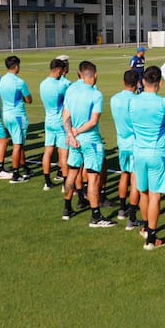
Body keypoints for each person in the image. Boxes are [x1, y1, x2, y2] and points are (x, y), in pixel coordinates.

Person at [62, 61, 114, 227]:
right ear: (95, 75)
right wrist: (76, 133)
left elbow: (65, 117)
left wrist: (70, 135)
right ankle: (95, 216)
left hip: (74, 141)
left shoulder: (71, 90)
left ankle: (67, 209)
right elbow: (93, 121)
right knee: (93, 178)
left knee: (72, 173)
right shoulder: (95, 94)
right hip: (90, 141)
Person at [129, 66, 165, 250]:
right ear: (160, 83)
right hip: (157, 153)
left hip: (139, 152)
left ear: (142, 82)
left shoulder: (133, 102)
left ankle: (146, 229)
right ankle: (151, 238)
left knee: (144, 192)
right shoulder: (164, 103)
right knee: (155, 195)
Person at [110, 70, 142, 228]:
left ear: (123, 82)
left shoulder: (114, 99)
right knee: (135, 179)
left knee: (124, 174)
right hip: (135, 143)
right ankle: (133, 217)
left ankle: (122, 209)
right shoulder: (137, 101)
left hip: (122, 143)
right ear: (137, 84)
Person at [0, 55, 33, 183]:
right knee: (18, 145)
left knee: (18, 142)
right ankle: (15, 173)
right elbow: (28, 99)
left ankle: (25, 167)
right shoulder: (19, 82)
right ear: (16, 66)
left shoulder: (2, 80)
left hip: (6, 115)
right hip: (18, 115)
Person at [39, 58, 69, 190]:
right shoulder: (62, 85)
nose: (62, 74)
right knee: (63, 154)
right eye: (61, 72)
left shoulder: (42, 84)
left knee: (48, 152)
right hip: (60, 123)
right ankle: (66, 185)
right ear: (57, 70)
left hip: (48, 121)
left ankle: (47, 182)